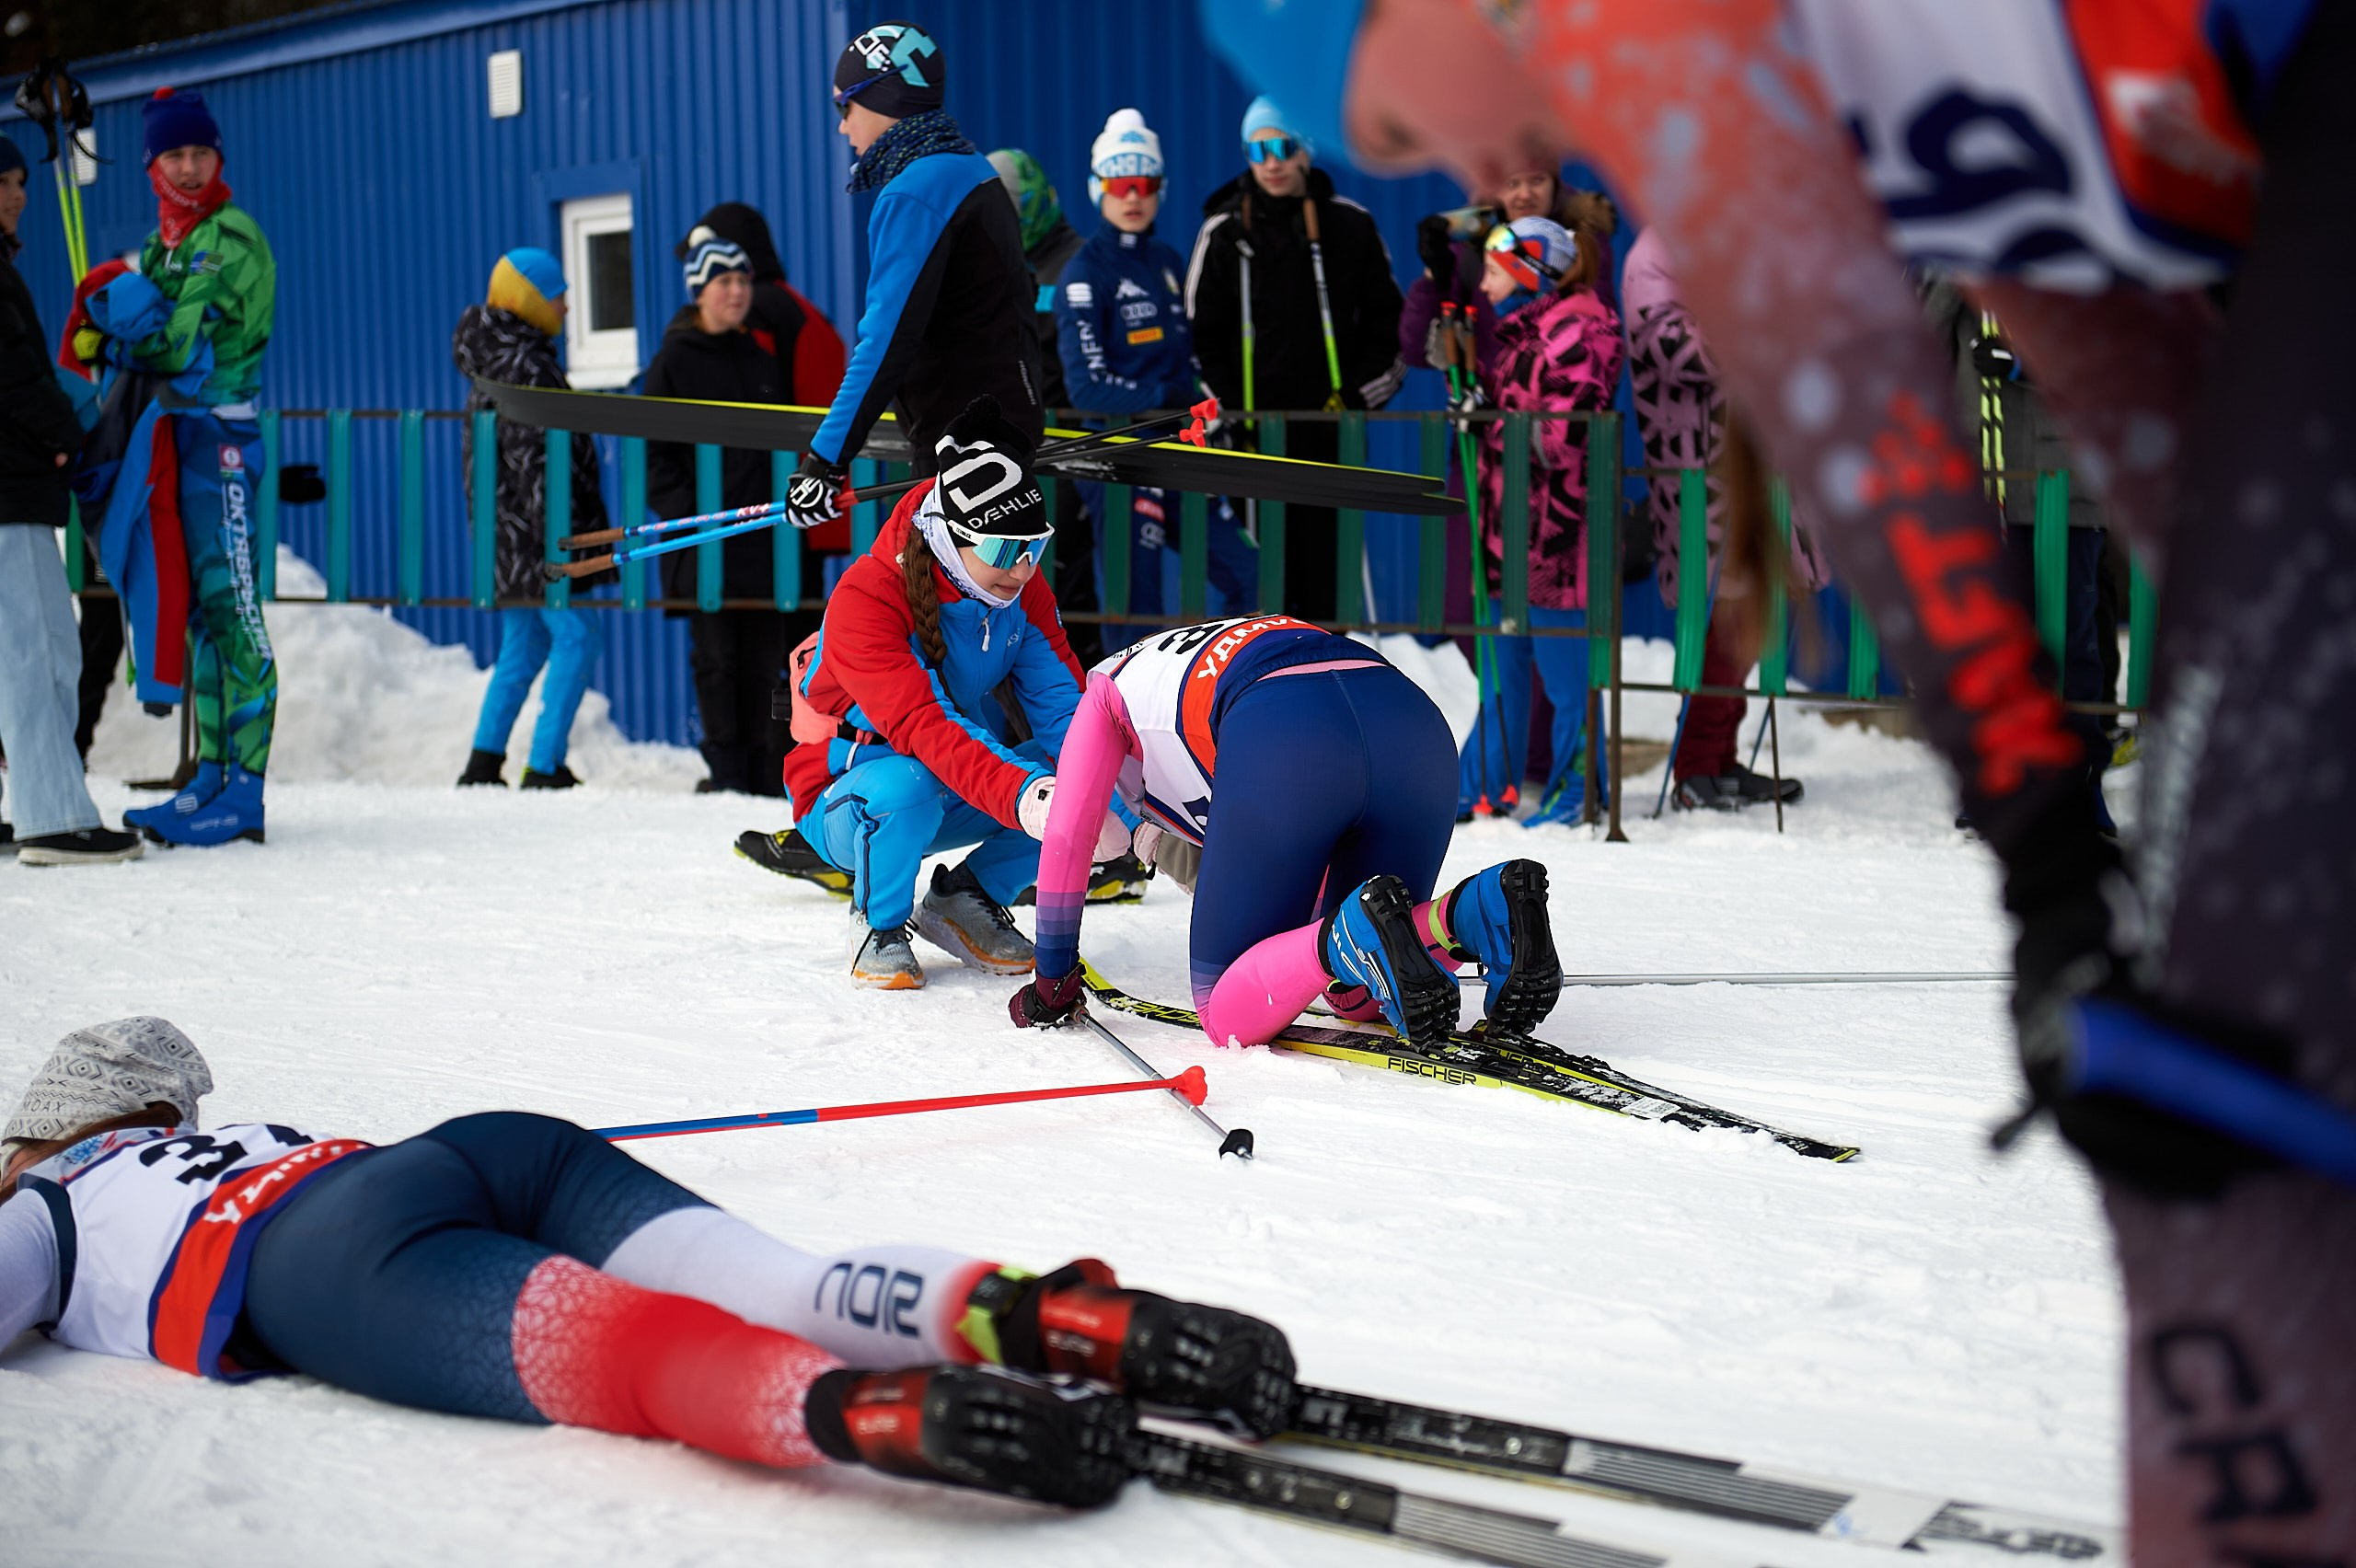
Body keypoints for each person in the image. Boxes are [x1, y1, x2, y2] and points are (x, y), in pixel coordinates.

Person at [1198, 0, 2354, 1557]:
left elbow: (1870, 433)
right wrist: (2092, 834)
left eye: (1394, 129)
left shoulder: (1615, 31)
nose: (1459, 165)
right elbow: (2128, 381)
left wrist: (2044, 841)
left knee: (2228, 1139)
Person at [0, 1017, 1295, 1509]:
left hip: (325, 1260)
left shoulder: (48, 1197)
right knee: (781, 1278)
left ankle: (881, 1414)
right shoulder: (237, 1133)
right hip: (467, 1154)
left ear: (50, 1133)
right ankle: (1051, 1316)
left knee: (626, 1351)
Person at [1009, 614, 1565, 1055]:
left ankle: (1354, 937)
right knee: (1363, 989)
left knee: (1224, 1008)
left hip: (1285, 732)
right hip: (1410, 722)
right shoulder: (1180, 668)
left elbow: (1066, 837)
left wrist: (1051, 979)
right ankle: (1479, 909)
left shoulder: (1102, 692)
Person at [780, 398, 1091, 989]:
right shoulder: (866, 598)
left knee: (1080, 775)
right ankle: (879, 922)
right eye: (1005, 552)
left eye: (1035, 548)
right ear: (952, 538)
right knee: (910, 783)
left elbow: (1065, 710)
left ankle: (965, 900)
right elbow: (926, 729)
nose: (1024, 570)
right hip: (850, 800)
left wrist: (1128, 809)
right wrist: (1026, 798)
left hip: (954, 780)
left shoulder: (1013, 584)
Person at [69, 89, 275, 849]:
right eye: (174, 156)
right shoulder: (164, 248)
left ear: (219, 157)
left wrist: (104, 338)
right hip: (176, 442)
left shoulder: (229, 239)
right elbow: (147, 321)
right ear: (153, 165)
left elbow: (176, 345)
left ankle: (245, 792)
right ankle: (208, 780)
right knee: (195, 617)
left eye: (201, 153)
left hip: (220, 440)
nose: (189, 168)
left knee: (235, 615)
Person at [784, 23, 1043, 536]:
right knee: (997, 598)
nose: (842, 127)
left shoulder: (915, 191)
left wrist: (823, 460)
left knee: (948, 608)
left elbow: (884, 342)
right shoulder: (971, 168)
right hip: (1002, 425)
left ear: (882, 98)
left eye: (844, 106)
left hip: (962, 441)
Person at [1619, 227, 1826, 813]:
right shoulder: (1656, 253)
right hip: (1701, 467)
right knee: (1732, 607)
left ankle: (1718, 758)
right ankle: (1697, 766)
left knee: (1756, 602)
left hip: (1755, 459)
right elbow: (1673, 346)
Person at [1184, 97, 1405, 622]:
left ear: (1305, 150)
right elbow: (1197, 339)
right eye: (1258, 149)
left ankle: (1333, 687)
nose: (1272, 161)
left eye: (1283, 146)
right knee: (1263, 590)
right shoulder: (1224, 232)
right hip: (1252, 444)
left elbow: (1389, 330)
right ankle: (1263, 694)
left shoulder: (1349, 225)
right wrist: (1230, 409)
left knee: (1330, 588)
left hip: (1328, 437)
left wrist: (1354, 398)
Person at [1923, 280, 2116, 836]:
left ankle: (2081, 785)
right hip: (1980, 486)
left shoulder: (2074, 249)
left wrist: (2027, 363)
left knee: (2070, 645)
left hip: (2064, 486)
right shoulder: (1963, 259)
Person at [1451, 215, 1625, 827]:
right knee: (1501, 673)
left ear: (1532, 271)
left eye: (1497, 269)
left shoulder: (1585, 328)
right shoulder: (1525, 332)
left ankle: (1579, 793)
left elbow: (1563, 436)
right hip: (1508, 534)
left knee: (1566, 678)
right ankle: (1476, 786)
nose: (1486, 282)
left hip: (1558, 539)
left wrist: (1489, 421)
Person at [0, 135, 142, 865]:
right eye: (4, 182)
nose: (18, 194)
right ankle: (52, 816)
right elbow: (15, 376)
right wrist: (68, 437)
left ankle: (29, 805)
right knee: (38, 652)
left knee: (9, 655)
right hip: (9, 491)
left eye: (21, 180)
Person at [643, 231, 809, 797]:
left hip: (763, 541)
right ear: (699, 291)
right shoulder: (672, 363)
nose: (738, 291)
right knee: (718, 659)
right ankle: (727, 771)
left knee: (773, 660)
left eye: (743, 280)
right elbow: (656, 459)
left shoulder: (759, 358)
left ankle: (770, 772)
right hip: (706, 544)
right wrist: (691, 514)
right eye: (725, 281)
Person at [450, 248, 612, 790]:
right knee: (578, 635)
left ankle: (482, 761)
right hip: (537, 533)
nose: (566, 307)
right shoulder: (525, 363)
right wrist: (562, 541)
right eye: (558, 295)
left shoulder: (496, 355)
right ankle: (544, 765)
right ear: (531, 298)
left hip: (506, 532)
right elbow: (537, 458)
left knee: (524, 644)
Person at [986, 146, 1103, 662]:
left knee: (1065, 590)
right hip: (1015, 455)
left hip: (1065, 449)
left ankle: (1086, 710)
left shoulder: (1075, 263)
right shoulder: (996, 264)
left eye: (1011, 207)